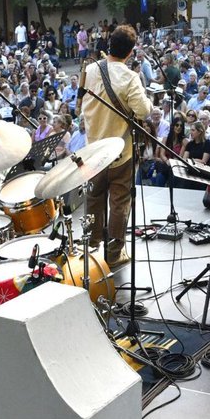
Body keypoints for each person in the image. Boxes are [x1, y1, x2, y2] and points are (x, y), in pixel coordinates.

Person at [79, 25, 153, 267]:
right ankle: (113, 253)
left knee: (93, 199)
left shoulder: (89, 70)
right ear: (130, 52)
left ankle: (91, 248)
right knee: (119, 202)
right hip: (120, 153)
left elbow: (80, 102)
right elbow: (143, 111)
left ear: (109, 45)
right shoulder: (129, 77)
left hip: (92, 151)